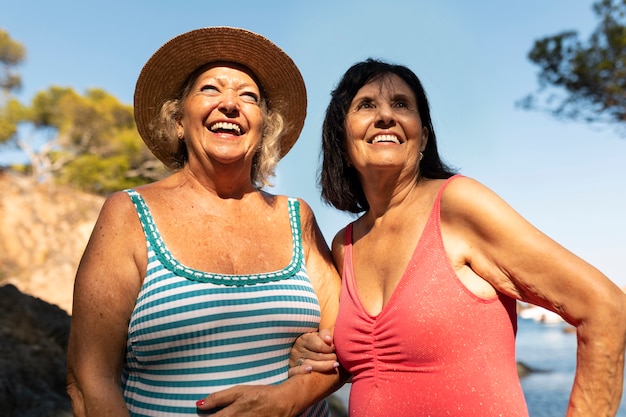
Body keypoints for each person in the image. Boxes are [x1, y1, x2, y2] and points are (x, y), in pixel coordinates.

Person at [289, 58, 626, 416]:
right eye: (366, 105)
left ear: (424, 136)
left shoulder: (457, 205)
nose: (386, 115)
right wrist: (313, 353)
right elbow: (373, 362)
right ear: (341, 136)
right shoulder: (345, 244)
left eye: (402, 104)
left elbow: (604, 308)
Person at [66, 27, 343, 417]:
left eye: (248, 96)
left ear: (264, 129)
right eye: (210, 90)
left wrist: (287, 399)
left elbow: (345, 345)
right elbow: (89, 379)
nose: (230, 104)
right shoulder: (129, 214)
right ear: (178, 121)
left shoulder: (298, 218)